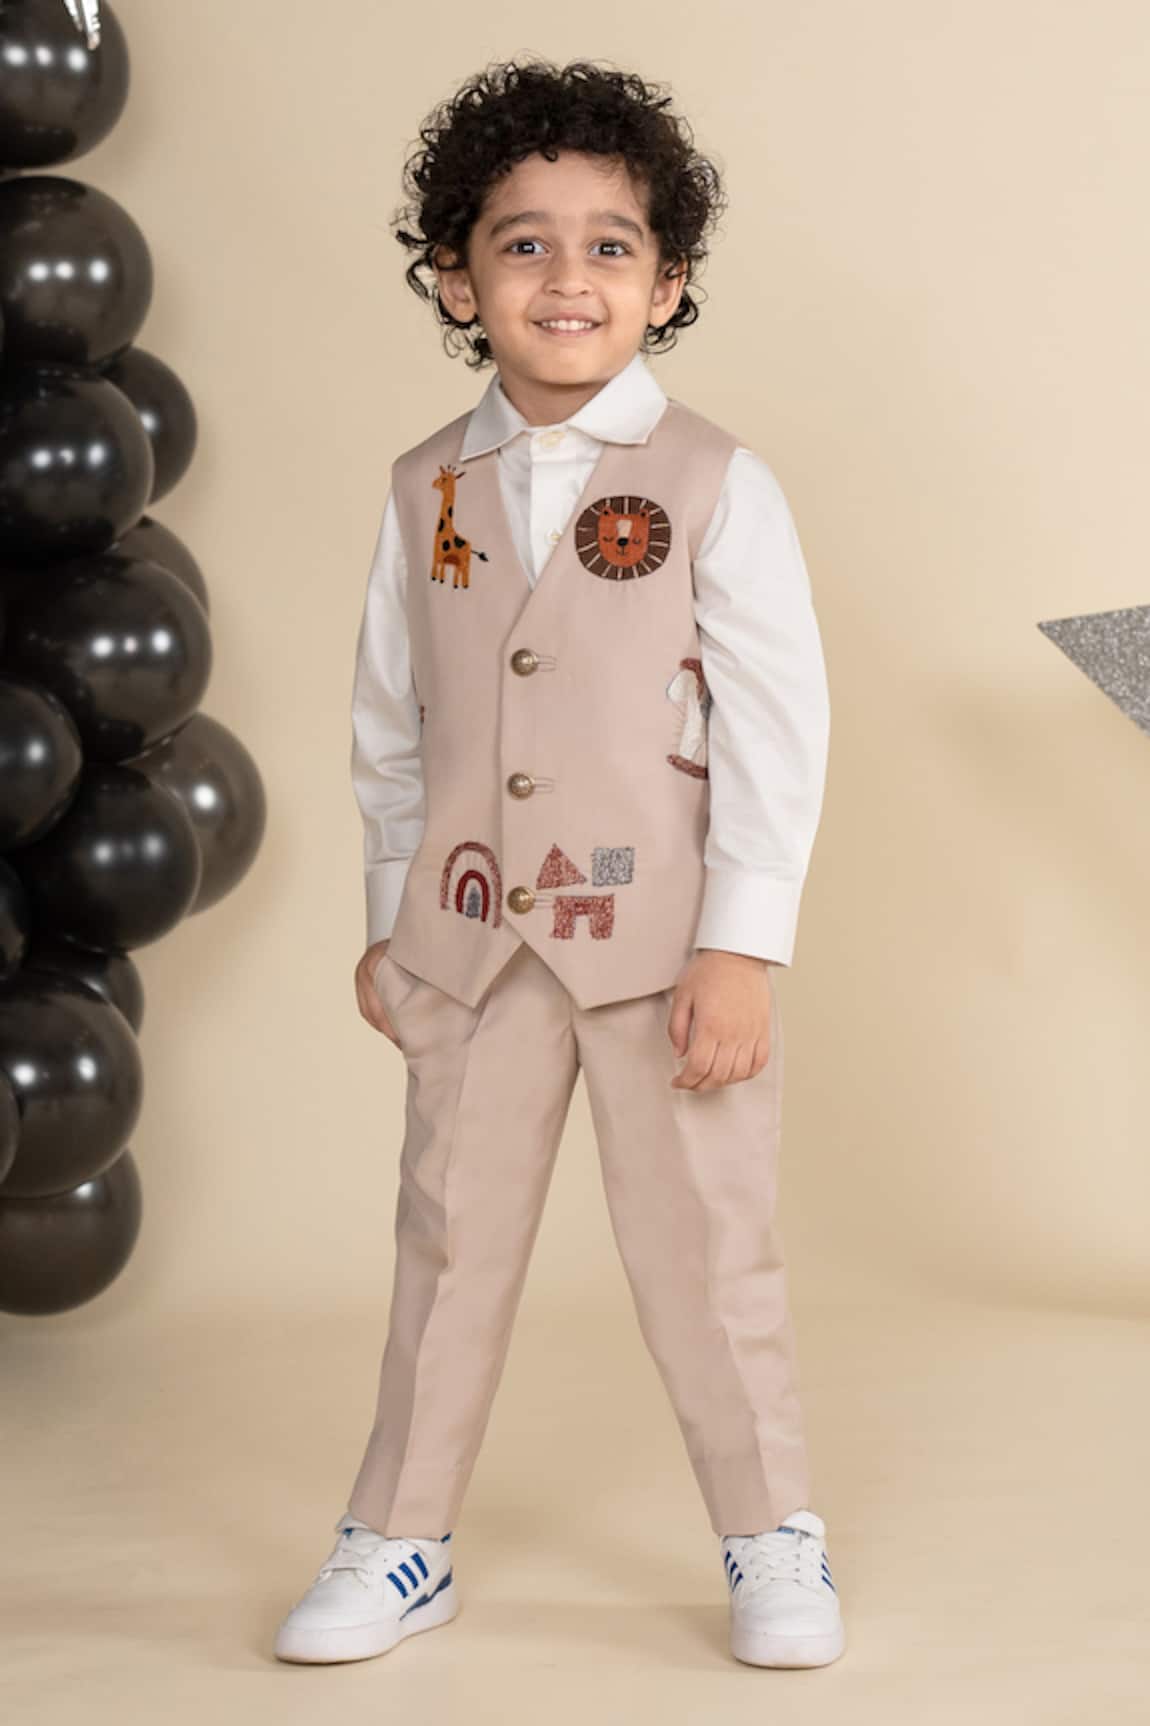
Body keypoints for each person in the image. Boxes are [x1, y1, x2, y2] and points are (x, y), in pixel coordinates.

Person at [274, 56, 841, 1671]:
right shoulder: (423, 488)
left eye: (609, 246)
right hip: (469, 944)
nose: (566, 277)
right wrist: (389, 917)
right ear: (457, 279)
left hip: (663, 949)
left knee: (703, 1251)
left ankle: (770, 1527)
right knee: (446, 1241)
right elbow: (392, 721)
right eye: (521, 244)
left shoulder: (715, 480)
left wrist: (742, 943)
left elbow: (778, 726)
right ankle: (400, 1534)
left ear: (666, 283)